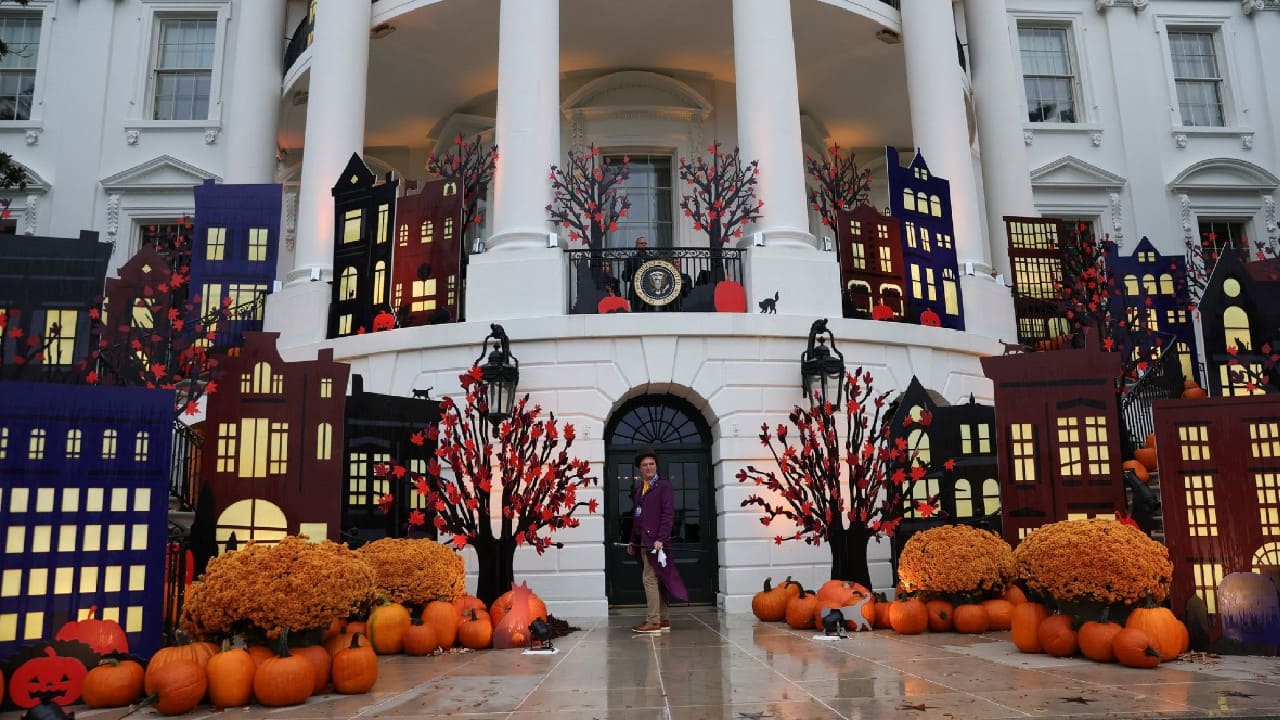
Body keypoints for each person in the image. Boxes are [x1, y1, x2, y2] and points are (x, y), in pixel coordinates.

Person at [628, 448, 688, 633]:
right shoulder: (639, 491)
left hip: (658, 544)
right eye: (645, 465)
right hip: (644, 542)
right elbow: (637, 518)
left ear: (656, 466)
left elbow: (668, 514)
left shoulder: (664, 486)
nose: (649, 467)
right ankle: (663, 620)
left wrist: (661, 538)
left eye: (652, 464)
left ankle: (653, 621)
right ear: (640, 468)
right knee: (657, 578)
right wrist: (632, 541)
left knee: (649, 578)